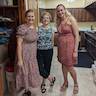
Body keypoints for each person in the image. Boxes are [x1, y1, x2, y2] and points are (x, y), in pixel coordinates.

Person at [16, 9, 42, 95]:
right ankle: (26, 90)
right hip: (24, 54)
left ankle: (28, 88)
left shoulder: (34, 27)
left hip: (32, 55)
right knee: (25, 71)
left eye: (32, 16)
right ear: (25, 18)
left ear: (34, 17)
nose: (31, 18)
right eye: (29, 16)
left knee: (30, 72)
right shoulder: (22, 28)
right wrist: (20, 59)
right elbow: (19, 45)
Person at [56, 4, 79, 94]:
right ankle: (65, 82)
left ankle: (76, 83)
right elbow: (59, 36)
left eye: (61, 10)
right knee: (63, 65)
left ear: (65, 10)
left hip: (70, 47)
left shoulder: (71, 19)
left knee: (69, 66)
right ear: (56, 13)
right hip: (61, 47)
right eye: (58, 11)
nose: (60, 12)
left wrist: (75, 51)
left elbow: (77, 36)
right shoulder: (58, 21)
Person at [37, 12, 56, 93]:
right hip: (39, 51)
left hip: (49, 51)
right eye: (44, 18)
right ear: (41, 19)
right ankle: (51, 78)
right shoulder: (37, 28)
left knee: (47, 67)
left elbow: (52, 41)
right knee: (41, 69)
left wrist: (52, 51)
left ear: (49, 19)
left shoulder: (52, 29)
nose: (45, 19)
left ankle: (43, 83)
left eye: (47, 18)